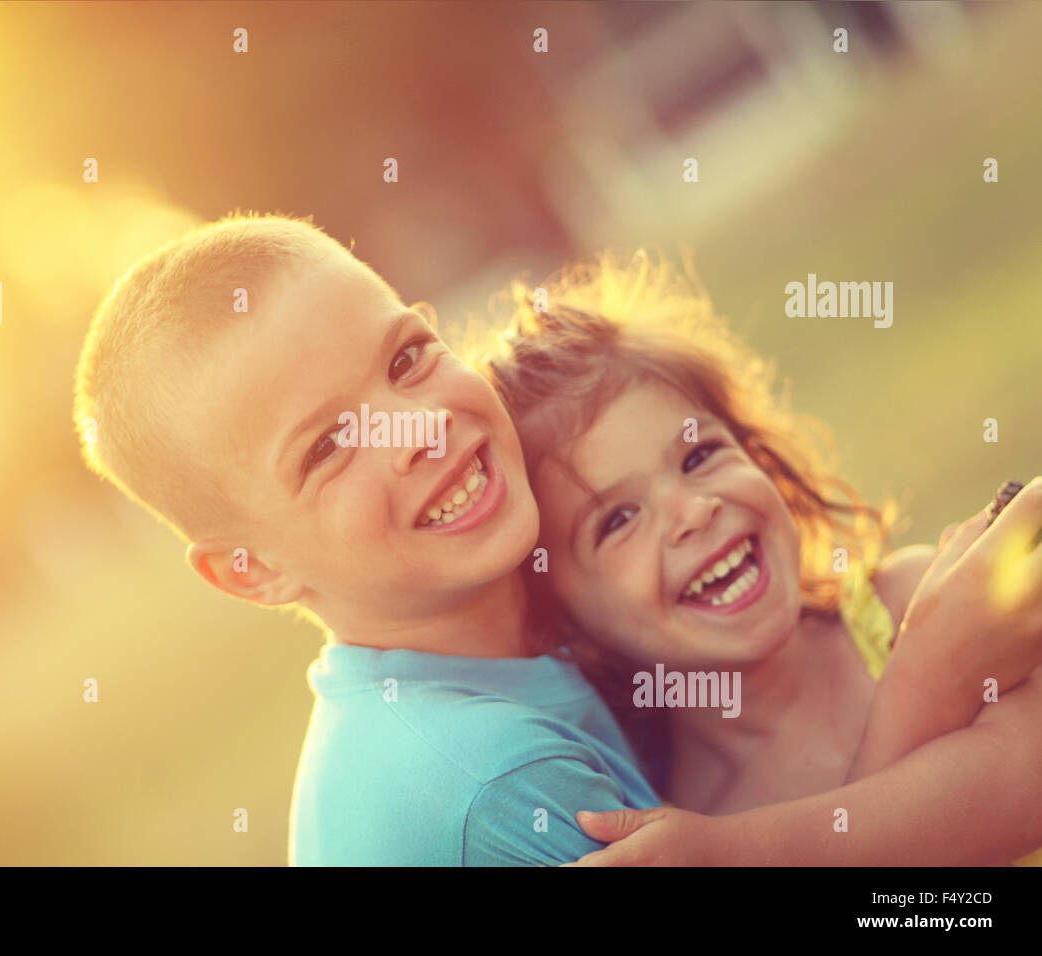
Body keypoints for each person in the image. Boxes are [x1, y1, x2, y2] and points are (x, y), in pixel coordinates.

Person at [71, 212, 659, 865]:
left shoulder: (524, 635)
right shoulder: (496, 781)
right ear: (252, 570)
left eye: (406, 359)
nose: (420, 429)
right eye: (327, 447)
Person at [479, 248, 1042, 865]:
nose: (695, 511)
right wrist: (936, 673)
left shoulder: (908, 601)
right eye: (617, 520)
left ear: (756, 452)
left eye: (698, 457)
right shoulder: (693, 823)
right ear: (570, 625)